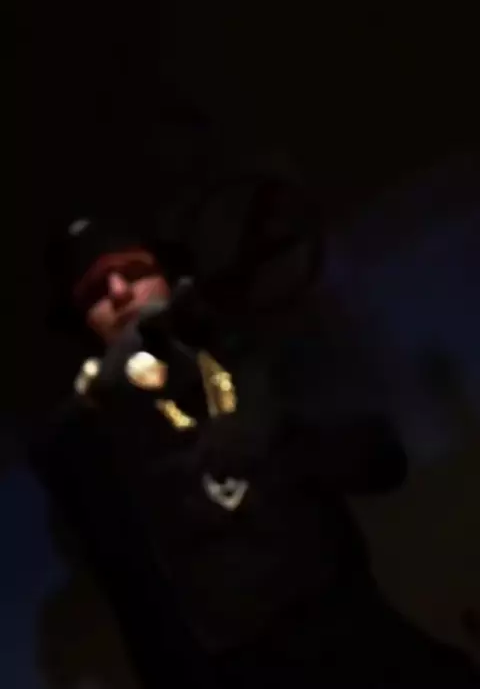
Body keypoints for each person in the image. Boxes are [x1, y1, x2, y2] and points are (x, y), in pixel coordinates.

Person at [33, 193, 479, 688]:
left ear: (168, 276)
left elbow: (381, 460)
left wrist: (280, 436)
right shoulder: (92, 436)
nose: (119, 292)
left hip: (356, 637)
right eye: (95, 291)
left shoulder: (250, 357)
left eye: (133, 271)